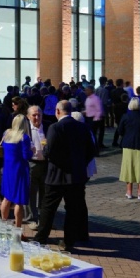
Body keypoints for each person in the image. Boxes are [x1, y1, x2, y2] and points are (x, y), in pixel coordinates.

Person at [32, 100, 96, 251]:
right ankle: (69, 242)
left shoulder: (55, 127)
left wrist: (48, 153)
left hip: (56, 175)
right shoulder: (82, 127)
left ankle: (41, 238)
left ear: (57, 111)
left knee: (48, 208)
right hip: (76, 176)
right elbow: (91, 151)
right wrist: (79, 164)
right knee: (73, 210)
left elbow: (49, 152)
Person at [0, 115, 33, 234]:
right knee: (19, 201)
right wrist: (32, 151)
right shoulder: (24, 137)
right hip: (20, 170)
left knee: (7, 198)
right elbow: (26, 156)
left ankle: (3, 224)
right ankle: (17, 231)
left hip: (8, 169)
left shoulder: (6, 134)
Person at [118, 97, 140, 200]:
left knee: (128, 168)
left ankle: (129, 192)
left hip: (128, 145)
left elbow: (120, 131)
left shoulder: (125, 116)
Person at [23, 106, 47, 230]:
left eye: (39, 115)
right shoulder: (26, 129)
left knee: (45, 192)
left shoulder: (48, 127)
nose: (37, 117)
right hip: (31, 163)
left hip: (45, 164)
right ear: (28, 116)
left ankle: (43, 218)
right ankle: (31, 218)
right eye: (34, 115)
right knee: (31, 193)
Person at [83, 85, 103, 154]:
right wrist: (84, 112)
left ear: (91, 90)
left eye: (87, 90)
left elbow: (99, 110)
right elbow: (89, 109)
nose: (85, 91)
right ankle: (91, 150)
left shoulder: (96, 99)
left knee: (93, 135)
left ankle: (96, 151)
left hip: (94, 119)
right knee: (90, 135)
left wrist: (95, 119)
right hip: (88, 118)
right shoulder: (87, 99)